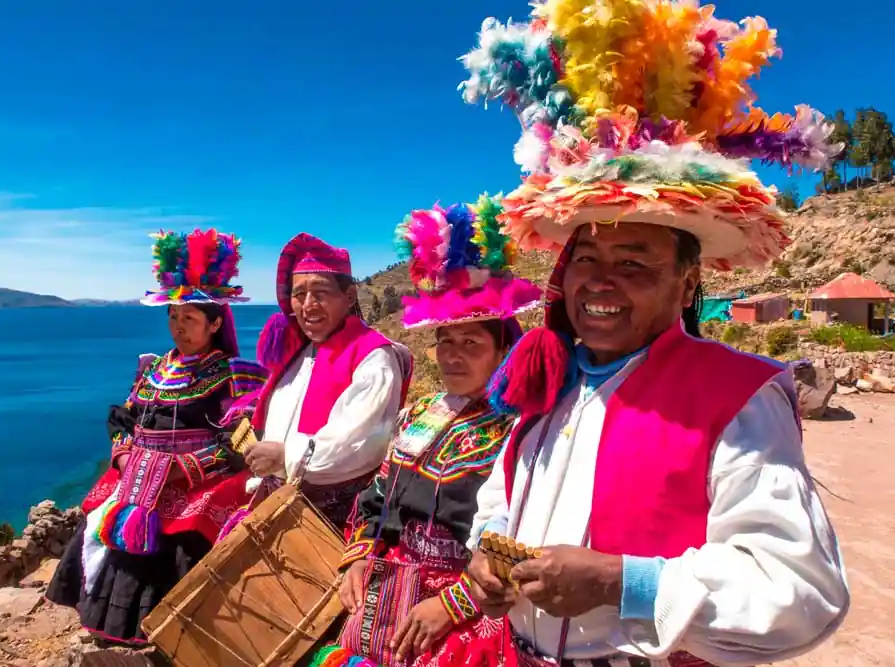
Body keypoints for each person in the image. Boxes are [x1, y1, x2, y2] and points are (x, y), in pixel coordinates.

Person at [430, 4, 850, 666]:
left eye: (634, 264)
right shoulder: (554, 378)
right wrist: (490, 543)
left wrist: (622, 582)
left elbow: (801, 591)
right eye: (587, 260)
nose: (600, 282)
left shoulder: (737, 395)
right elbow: (502, 496)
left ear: (686, 286)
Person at [309, 195, 540, 667]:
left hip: (468, 608)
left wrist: (454, 604)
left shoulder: (519, 430)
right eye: (445, 342)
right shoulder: (421, 413)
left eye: (471, 343)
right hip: (391, 585)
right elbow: (378, 495)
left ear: (502, 351)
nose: (454, 355)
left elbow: (521, 535)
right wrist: (357, 558)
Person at [46, 229, 268, 644]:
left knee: (182, 539)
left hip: (195, 482)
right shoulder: (154, 368)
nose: (178, 327)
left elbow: (242, 439)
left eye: (189, 319)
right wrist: (123, 457)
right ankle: (110, 629)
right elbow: (124, 419)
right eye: (173, 317)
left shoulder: (234, 374)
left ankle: (178, 636)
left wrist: (181, 471)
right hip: (137, 475)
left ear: (215, 323)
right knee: (100, 519)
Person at [234, 232, 413, 531]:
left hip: (330, 526)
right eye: (298, 293)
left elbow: (360, 444)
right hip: (277, 506)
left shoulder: (373, 358)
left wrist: (284, 455)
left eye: (320, 292)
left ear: (349, 296)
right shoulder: (300, 353)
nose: (308, 305)